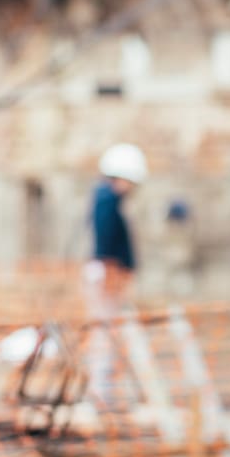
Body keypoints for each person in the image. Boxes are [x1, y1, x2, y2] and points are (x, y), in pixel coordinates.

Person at [84, 143, 148, 402]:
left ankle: (106, 389)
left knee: (109, 334)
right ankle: (100, 391)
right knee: (105, 334)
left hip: (111, 276)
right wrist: (114, 280)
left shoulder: (108, 200)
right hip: (108, 277)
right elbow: (107, 247)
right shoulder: (107, 201)